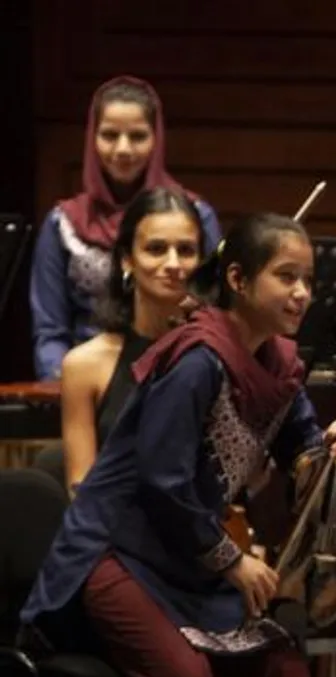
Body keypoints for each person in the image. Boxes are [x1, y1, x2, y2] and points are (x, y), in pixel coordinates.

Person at [19, 213, 336, 677]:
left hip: (187, 563)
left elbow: (306, 452)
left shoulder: (280, 363)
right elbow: (163, 483)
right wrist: (233, 561)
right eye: (286, 276)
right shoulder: (195, 360)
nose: (302, 293)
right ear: (237, 280)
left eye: (308, 280)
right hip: (115, 556)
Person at [30, 75, 221, 380]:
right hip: (87, 376)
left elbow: (215, 308)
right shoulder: (61, 222)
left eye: (137, 136)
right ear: (92, 138)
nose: (122, 149)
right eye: (109, 135)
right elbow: (50, 331)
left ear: (156, 138)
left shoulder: (195, 215)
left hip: (177, 371)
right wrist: (65, 387)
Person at [59, 187, 208, 494]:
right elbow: (81, 492)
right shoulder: (83, 365)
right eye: (156, 249)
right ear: (127, 259)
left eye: (186, 250)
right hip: (114, 535)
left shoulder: (214, 354)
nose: (173, 263)